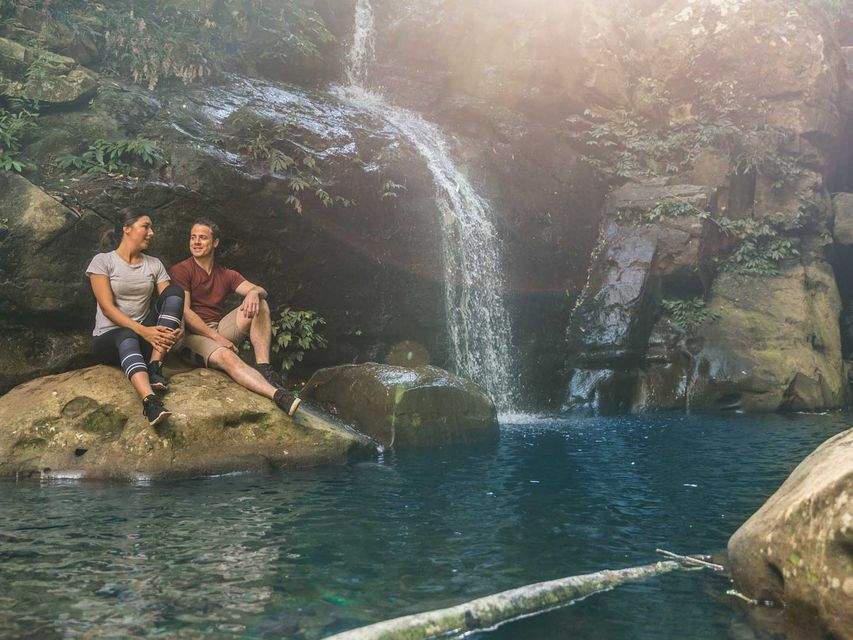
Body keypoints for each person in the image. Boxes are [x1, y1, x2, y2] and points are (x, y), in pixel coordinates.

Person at [169, 218, 301, 416]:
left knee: (260, 304)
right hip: (190, 337)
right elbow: (185, 313)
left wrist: (253, 293)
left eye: (203, 238)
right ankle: (278, 395)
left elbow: (260, 290)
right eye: (193, 237)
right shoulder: (181, 270)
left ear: (215, 242)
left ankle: (264, 368)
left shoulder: (226, 274)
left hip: (218, 329)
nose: (196, 242)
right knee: (226, 355)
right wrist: (218, 339)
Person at [86, 209, 185, 426]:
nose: (152, 232)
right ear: (127, 229)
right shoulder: (103, 261)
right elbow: (107, 308)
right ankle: (150, 402)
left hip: (146, 340)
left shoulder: (154, 264)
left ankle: (155, 367)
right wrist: (144, 331)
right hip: (110, 340)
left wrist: (178, 328)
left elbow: (169, 301)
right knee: (126, 333)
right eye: (146, 226)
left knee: (176, 292)